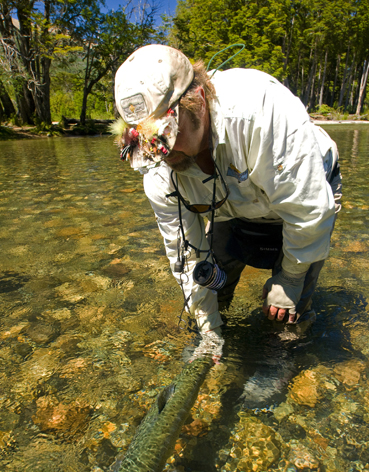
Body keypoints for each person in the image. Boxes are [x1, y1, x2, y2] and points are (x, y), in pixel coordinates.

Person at [113, 45, 342, 343]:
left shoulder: (258, 111)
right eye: (149, 145)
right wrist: (208, 328)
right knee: (209, 301)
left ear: (197, 100)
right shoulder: (158, 165)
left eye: (165, 137)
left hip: (301, 195)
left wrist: (291, 278)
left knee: (287, 321)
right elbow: (186, 254)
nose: (163, 154)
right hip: (229, 208)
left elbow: (308, 211)